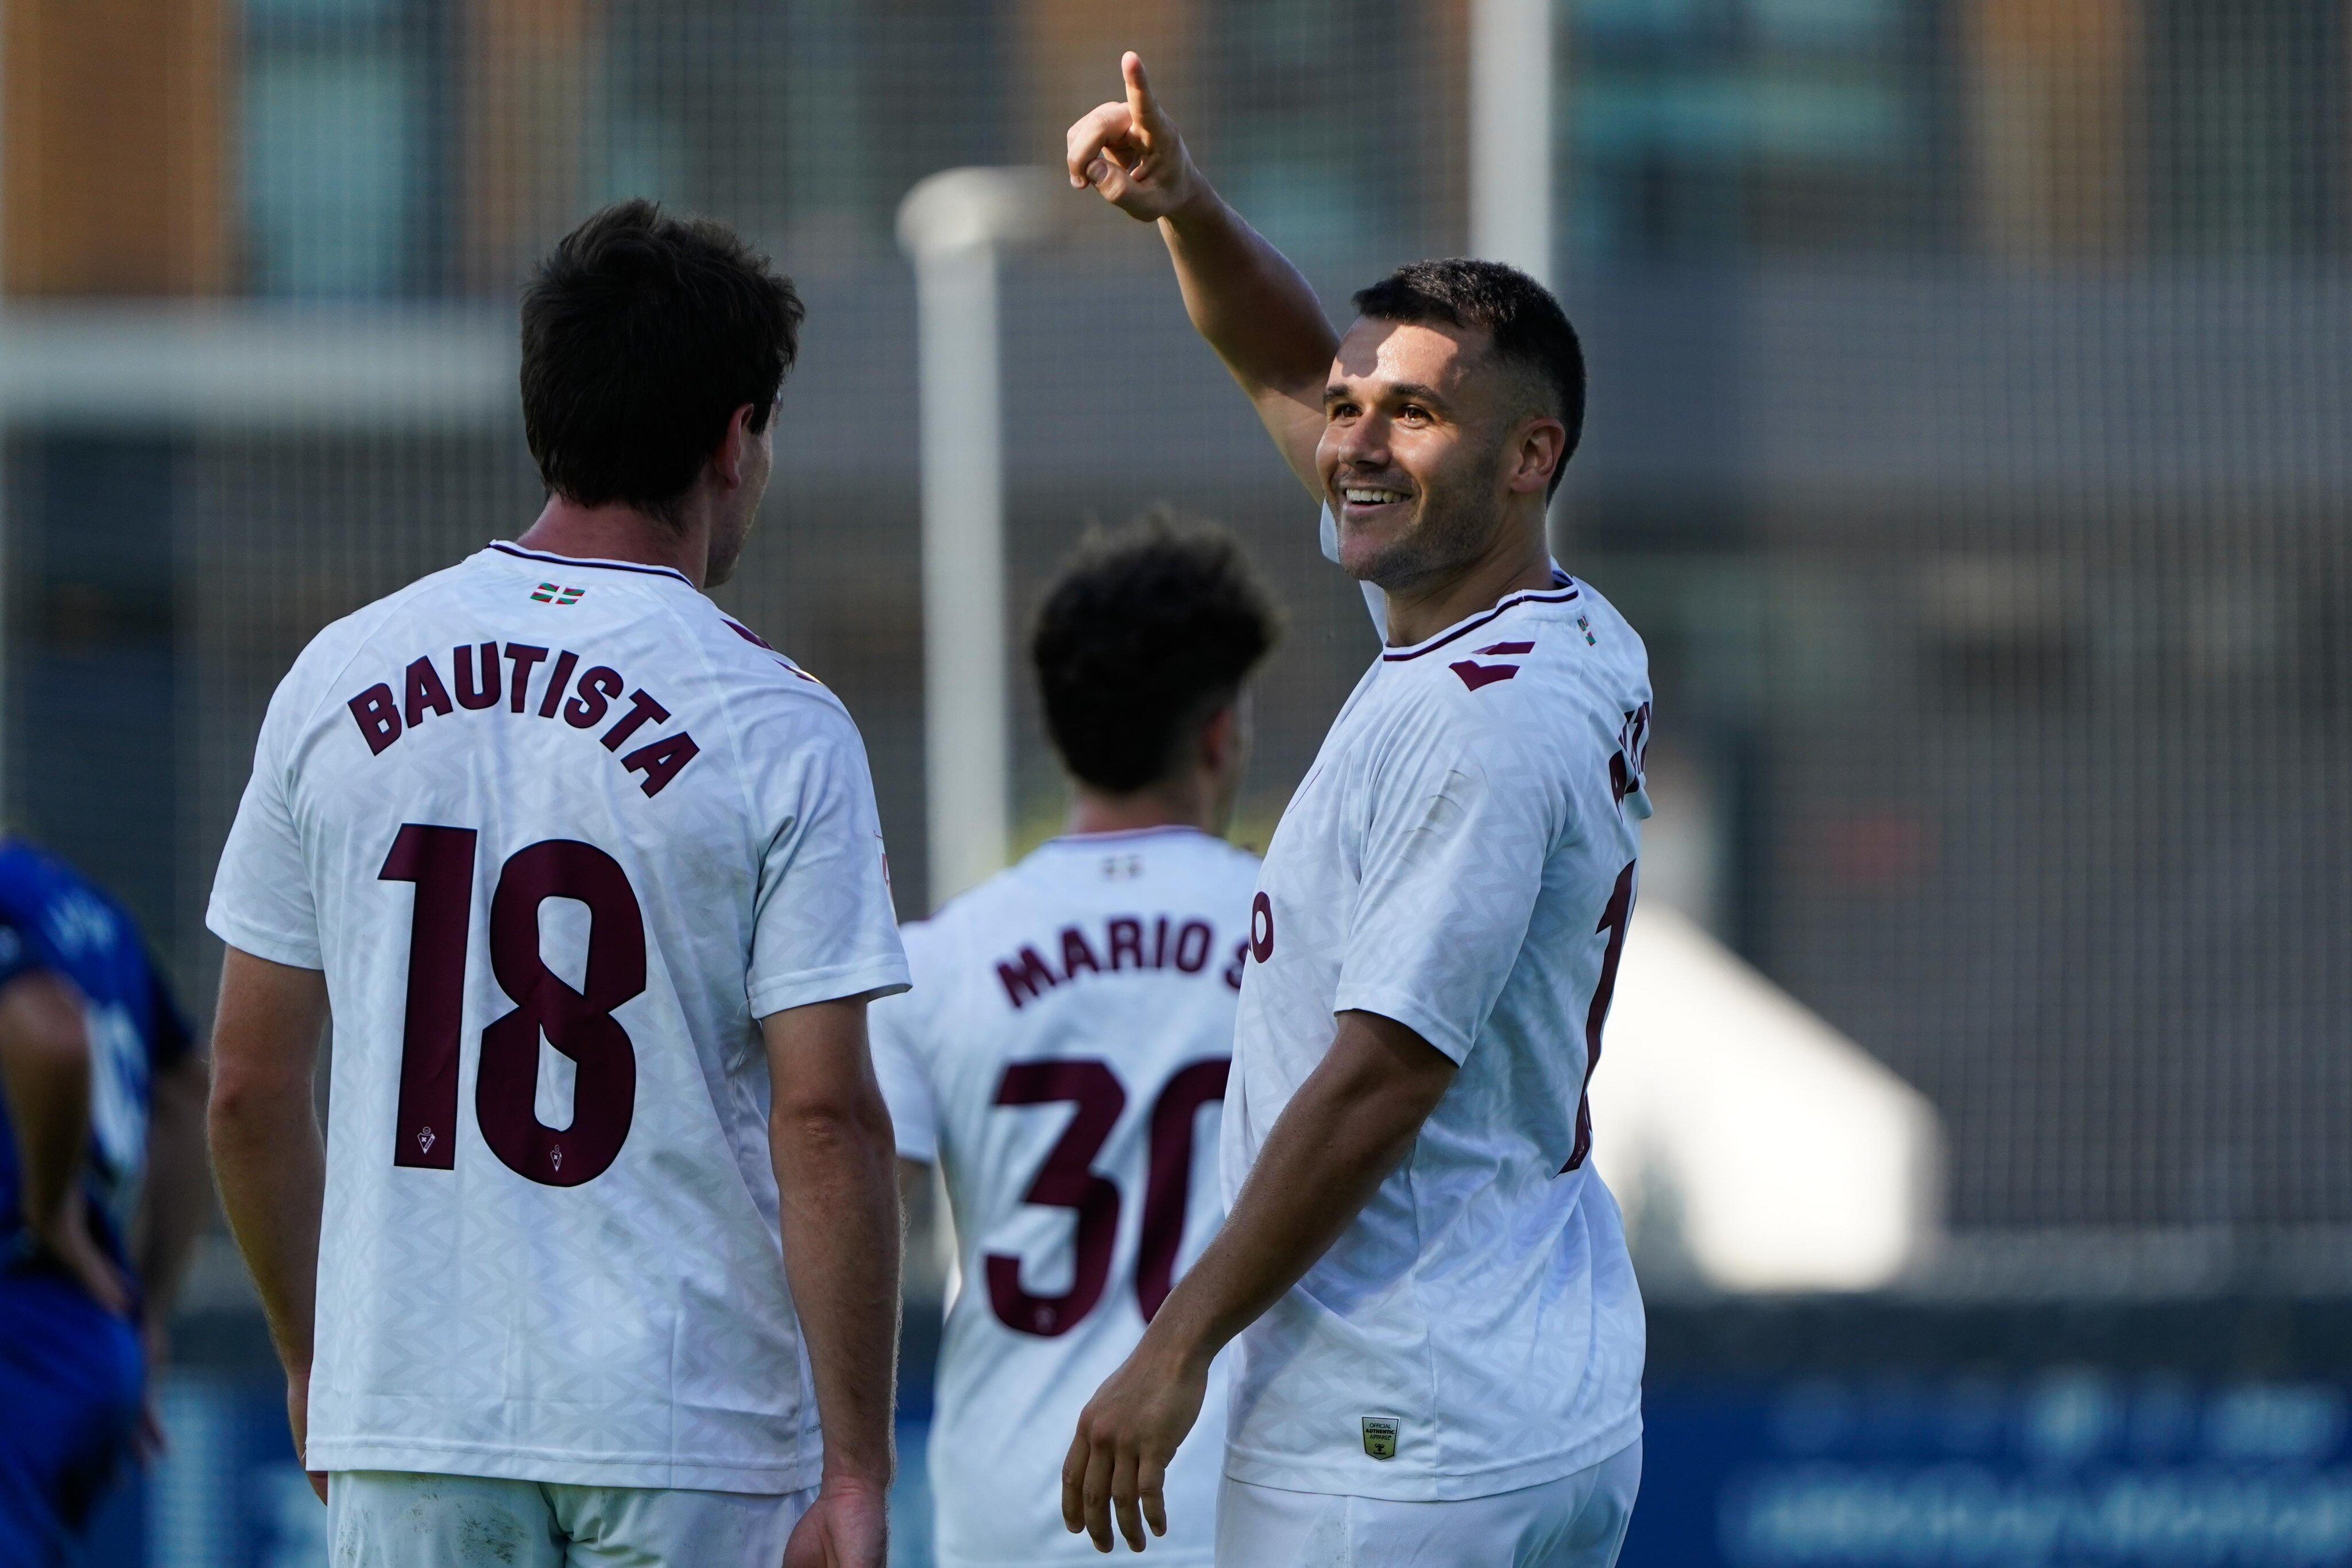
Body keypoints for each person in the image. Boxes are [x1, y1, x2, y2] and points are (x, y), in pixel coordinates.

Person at [204, 201, 908, 1568]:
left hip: (411, 1418)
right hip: (686, 1429)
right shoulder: (779, 718)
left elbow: (246, 1088)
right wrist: (858, 1464)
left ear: (549, 411)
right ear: (735, 436)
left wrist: (316, 1357)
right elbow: (825, 1118)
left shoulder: (334, 680)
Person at [1059, 56, 1654, 1566]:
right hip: (1523, 1368)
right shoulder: (1553, 624)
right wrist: (1184, 208)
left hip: (1402, 1426)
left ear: (1532, 458)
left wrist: (1174, 1345)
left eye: (1414, 418)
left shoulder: (1482, 720)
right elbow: (1283, 366)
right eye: (1351, 411)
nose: (1354, 445)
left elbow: (1383, 1073)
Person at [870, 517, 1281, 1567]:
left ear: (1056, 728)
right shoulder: (1300, 946)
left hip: (1015, 1502)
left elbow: (865, 1221)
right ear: (1219, 731)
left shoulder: (939, 960)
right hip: (1236, 1498)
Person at [0, 838, 208, 1566]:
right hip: (84, 1334)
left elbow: (53, 1036)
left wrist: (47, 1209)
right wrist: (141, 1309)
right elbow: (188, 1092)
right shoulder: (85, 907)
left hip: (20, 1314)